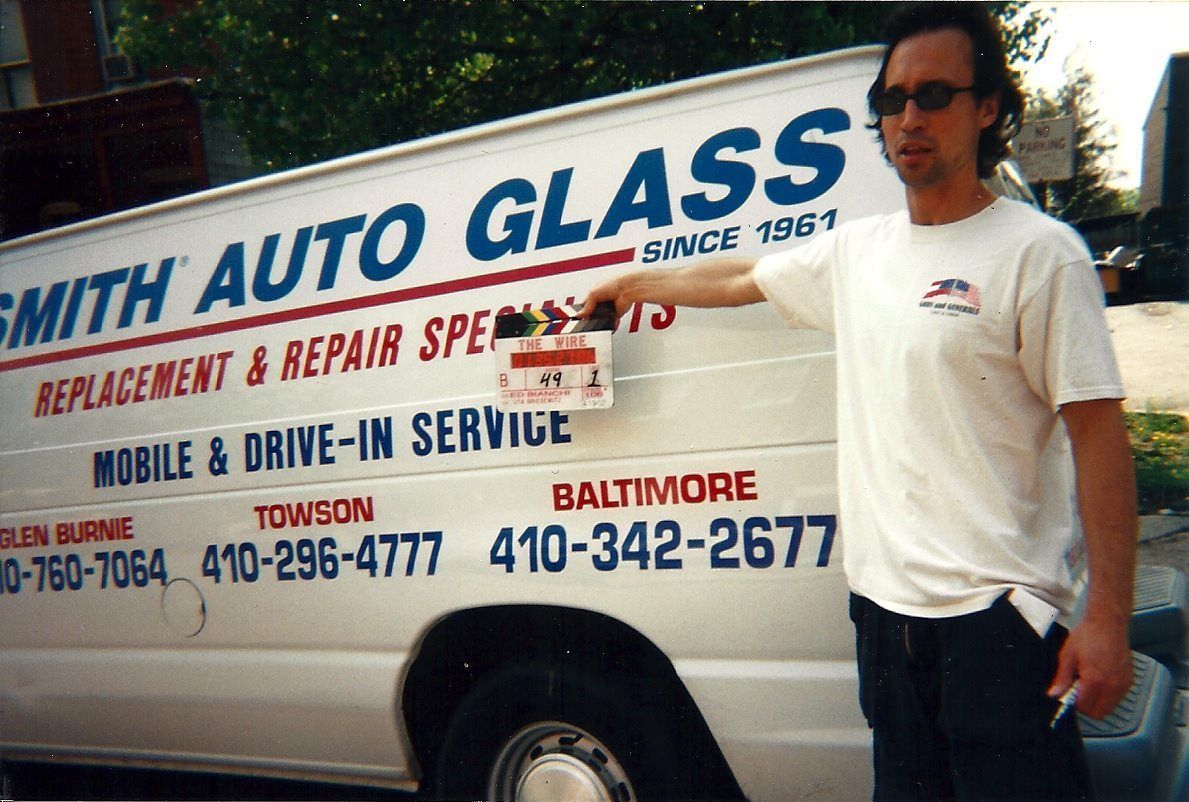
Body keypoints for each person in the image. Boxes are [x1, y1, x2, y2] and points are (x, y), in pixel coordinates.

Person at [582, 3, 1136, 799]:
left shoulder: (1038, 254)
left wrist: (1106, 621)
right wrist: (627, 283)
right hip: (883, 621)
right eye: (891, 99)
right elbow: (740, 278)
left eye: (935, 95)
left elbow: (1098, 439)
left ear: (986, 109)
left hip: (997, 627)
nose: (909, 117)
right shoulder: (860, 251)